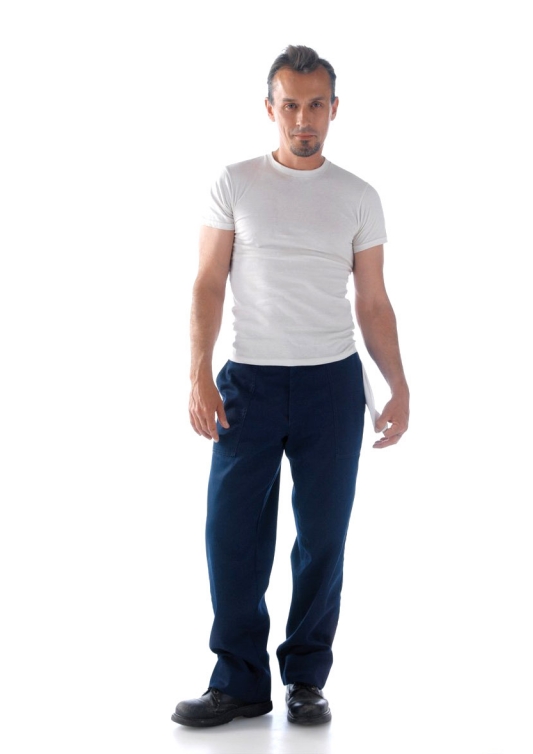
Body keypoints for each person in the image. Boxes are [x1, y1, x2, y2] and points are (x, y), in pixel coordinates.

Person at [173, 45, 409, 728]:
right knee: (232, 536)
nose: (303, 119)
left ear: (334, 110)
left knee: (322, 537)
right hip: (248, 380)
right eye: (290, 105)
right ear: (269, 108)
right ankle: (240, 682)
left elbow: (373, 301)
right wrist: (197, 371)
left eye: (315, 106)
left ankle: (306, 679)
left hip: (331, 386)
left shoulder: (358, 196)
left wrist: (398, 384)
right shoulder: (235, 183)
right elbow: (207, 282)